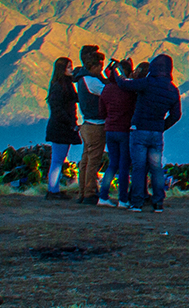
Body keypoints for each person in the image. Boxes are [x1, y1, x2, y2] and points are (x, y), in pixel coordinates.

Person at [111, 53, 182, 212]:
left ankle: (137, 202)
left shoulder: (147, 83)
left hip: (140, 130)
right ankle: (158, 202)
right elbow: (176, 115)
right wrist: (162, 126)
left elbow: (124, 85)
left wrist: (116, 72)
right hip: (156, 133)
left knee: (139, 167)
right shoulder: (172, 90)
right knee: (156, 168)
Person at [98, 58, 144, 208]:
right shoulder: (129, 89)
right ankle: (123, 199)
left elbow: (101, 111)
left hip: (109, 129)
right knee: (124, 166)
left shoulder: (107, 88)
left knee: (112, 164)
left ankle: (103, 196)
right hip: (124, 131)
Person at [73, 47, 107, 205]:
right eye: (100, 66)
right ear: (93, 66)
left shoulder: (81, 79)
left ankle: (82, 191)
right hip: (96, 125)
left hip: (86, 124)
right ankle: (90, 193)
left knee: (85, 160)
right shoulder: (92, 81)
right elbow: (107, 93)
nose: (101, 69)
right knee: (93, 160)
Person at [44, 56, 79, 200]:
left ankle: (54, 189)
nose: (71, 69)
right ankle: (52, 190)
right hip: (61, 128)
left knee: (59, 159)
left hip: (61, 127)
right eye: (69, 67)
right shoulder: (60, 86)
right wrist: (70, 122)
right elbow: (57, 108)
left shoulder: (64, 84)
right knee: (58, 160)